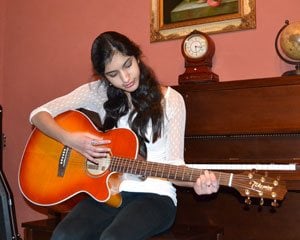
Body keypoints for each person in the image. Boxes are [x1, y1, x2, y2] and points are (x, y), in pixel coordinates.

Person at [30, 31, 219, 240]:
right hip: (109, 192)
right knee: (64, 235)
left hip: (155, 196)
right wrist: (72, 140)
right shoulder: (99, 93)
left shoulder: (171, 100)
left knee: (113, 238)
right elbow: (38, 114)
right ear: (104, 77)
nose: (125, 78)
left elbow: (176, 164)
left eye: (128, 65)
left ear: (137, 57)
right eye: (113, 74)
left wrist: (196, 183)